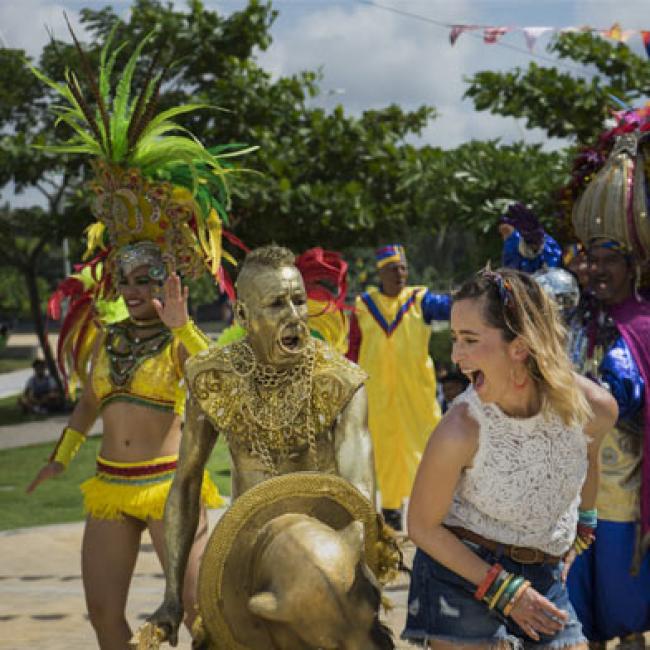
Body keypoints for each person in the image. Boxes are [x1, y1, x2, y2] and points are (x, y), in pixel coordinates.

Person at [24, 31, 247, 649]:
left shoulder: (182, 337)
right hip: (108, 482)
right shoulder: (107, 338)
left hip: (172, 487)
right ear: (117, 281)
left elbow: (214, 380)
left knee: (203, 619)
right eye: (129, 277)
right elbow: (90, 403)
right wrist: (60, 456)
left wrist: (180, 325)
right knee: (103, 616)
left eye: (151, 276)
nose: (140, 286)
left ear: (169, 277)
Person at [148, 244, 383, 646]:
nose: (294, 316)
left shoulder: (339, 381)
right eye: (276, 304)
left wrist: (350, 572)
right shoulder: (214, 379)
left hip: (330, 561)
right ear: (243, 316)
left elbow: (358, 490)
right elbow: (186, 483)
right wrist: (172, 595)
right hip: (248, 563)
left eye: (298, 300)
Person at [402, 267, 617, 648]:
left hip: (545, 575)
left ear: (518, 346)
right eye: (454, 339)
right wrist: (502, 589)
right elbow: (420, 526)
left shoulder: (596, 409)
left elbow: (588, 464)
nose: (456, 356)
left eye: (469, 340)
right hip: (460, 573)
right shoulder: (460, 428)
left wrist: (582, 529)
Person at [347, 244, 451, 531]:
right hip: (378, 396)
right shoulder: (363, 307)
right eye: (394, 268)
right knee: (383, 453)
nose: (401, 273)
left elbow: (453, 308)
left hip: (416, 394)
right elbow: (351, 349)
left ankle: (434, 514)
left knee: (427, 449)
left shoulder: (420, 301)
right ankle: (391, 514)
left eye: (404, 267)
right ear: (381, 272)